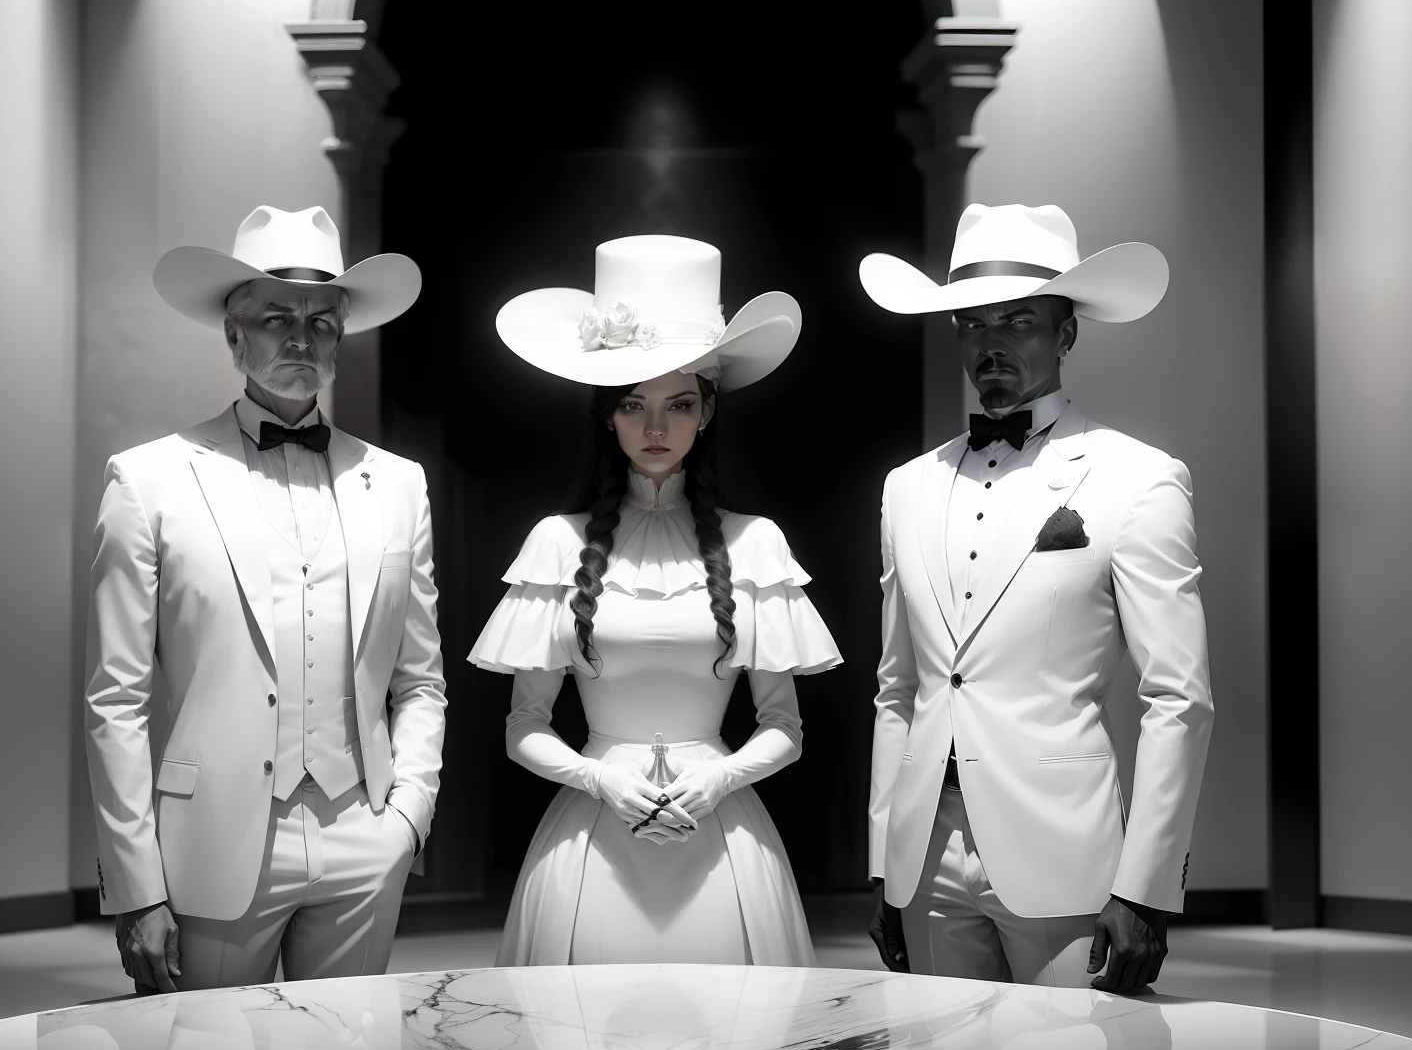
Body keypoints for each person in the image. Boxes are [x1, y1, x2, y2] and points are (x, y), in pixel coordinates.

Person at [86, 204, 446, 992]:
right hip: (211, 843)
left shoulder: (399, 483)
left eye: (321, 322)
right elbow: (116, 699)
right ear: (233, 335)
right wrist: (135, 882)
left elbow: (419, 680)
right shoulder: (148, 480)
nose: (299, 338)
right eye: (276, 316)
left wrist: (407, 820)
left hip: (365, 835)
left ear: (341, 340)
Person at [856, 203, 1213, 993]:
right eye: (973, 323)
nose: (991, 343)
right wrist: (886, 861)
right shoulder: (907, 488)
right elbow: (898, 690)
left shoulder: (1137, 478)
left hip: (1067, 856)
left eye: (1019, 320)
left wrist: (1146, 887)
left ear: (1066, 333)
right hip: (925, 857)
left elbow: (1178, 698)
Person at [467, 234, 841, 965]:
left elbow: (783, 727)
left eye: (678, 404)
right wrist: (600, 778)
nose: (657, 428)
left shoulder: (756, 542)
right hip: (592, 836)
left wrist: (718, 778)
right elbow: (525, 726)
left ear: (707, 413)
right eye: (635, 406)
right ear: (608, 416)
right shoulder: (556, 542)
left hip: (724, 833)